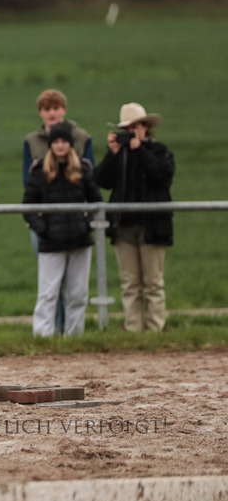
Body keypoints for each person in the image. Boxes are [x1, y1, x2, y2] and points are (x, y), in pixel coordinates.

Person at [94, 102, 175, 332]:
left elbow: (162, 177)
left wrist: (140, 150)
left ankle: (155, 328)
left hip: (153, 225)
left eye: (135, 126)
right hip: (124, 226)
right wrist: (112, 155)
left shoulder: (160, 150)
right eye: (127, 129)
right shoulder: (120, 155)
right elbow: (101, 180)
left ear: (145, 127)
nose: (132, 132)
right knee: (130, 283)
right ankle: (133, 330)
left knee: (153, 283)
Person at [22, 89, 95, 333]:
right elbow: (28, 201)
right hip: (49, 234)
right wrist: (43, 228)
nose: (61, 145)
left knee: (77, 292)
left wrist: (86, 224)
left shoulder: (82, 164)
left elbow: (95, 198)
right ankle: (44, 335)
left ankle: (74, 337)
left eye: (65, 142)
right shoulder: (38, 166)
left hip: (78, 234)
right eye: (46, 108)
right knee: (49, 291)